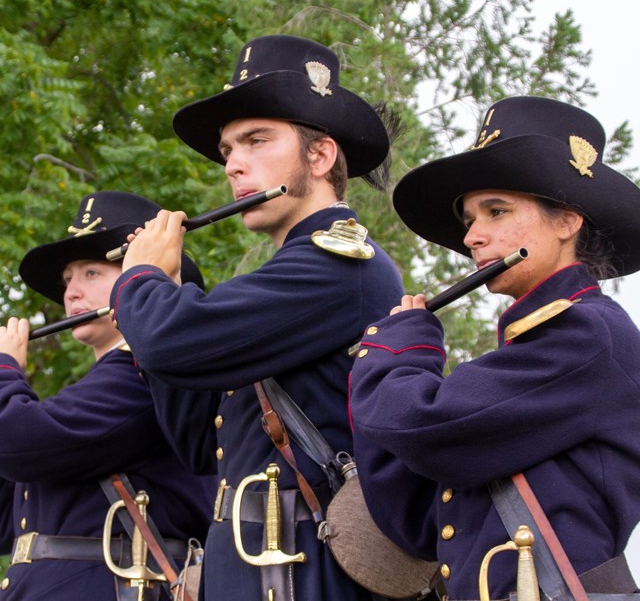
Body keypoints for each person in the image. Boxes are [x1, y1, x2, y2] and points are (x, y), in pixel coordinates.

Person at [106, 34, 405, 601]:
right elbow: (198, 445)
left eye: (256, 140)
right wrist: (164, 288)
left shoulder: (340, 266)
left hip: (304, 569)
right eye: (227, 151)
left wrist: (140, 279)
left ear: (319, 156)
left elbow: (172, 341)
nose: (234, 165)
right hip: (251, 567)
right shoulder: (288, 274)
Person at [348, 96, 640, 600]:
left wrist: (399, 352)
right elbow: (419, 525)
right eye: (469, 220)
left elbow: (422, 423)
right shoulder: (530, 350)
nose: (474, 237)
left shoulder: (588, 336)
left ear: (567, 221)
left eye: (496, 212)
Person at [0, 191, 215, 600]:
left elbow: (18, 440)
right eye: (68, 280)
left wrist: (5, 370)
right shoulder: (94, 388)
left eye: (91, 274)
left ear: (142, 275)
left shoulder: (143, 374)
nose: (71, 293)